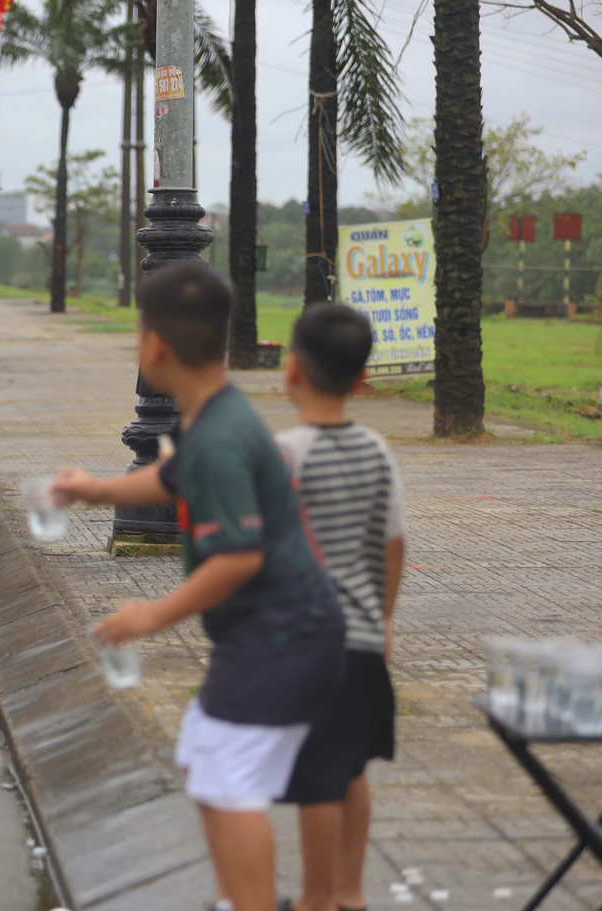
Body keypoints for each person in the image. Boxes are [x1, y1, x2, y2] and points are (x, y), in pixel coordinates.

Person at [51, 264, 345, 911]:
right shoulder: (215, 413)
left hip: (281, 634)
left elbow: (237, 557)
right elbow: (169, 476)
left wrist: (151, 616)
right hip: (274, 631)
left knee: (226, 778)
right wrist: (95, 490)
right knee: (206, 758)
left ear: (155, 347)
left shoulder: (219, 439)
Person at [264, 304, 406, 911]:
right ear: (361, 376)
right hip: (365, 639)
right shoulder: (377, 450)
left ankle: (317, 899)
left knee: (317, 776)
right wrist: (384, 617)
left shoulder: (286, 453)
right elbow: (393, 544)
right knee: (351, 769)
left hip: (313, 641)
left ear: (292, 369)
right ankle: (350, 892)